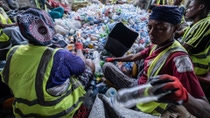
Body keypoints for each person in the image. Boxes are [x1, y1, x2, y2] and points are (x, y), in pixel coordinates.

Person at [102, 5, 210, 117]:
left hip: (140, 94)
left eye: (160, 28)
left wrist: (184, 96)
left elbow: (206, 110)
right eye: (149, 27)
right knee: (140, 51)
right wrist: (116, 59)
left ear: (175, 28)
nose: (151, 33)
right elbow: (135, 56)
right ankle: (130, 75)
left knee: (107, 67)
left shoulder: (180, 59)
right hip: (144, 80)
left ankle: (129, 78)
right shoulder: (157, 45)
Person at [0, 8, 95, 117]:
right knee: (89, 63)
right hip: (58, 112)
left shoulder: (13, 52)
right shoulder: (59, 56)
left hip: (23, 113)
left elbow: (7, 79)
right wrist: (79, 48)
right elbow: (81, 66)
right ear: (49, 27)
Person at [175, 0, 210, 102]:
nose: (187, 10)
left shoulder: (206, 24)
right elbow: (178, 34)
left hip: (196, 64)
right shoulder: (197, 22)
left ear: (201, 7)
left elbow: (183, 48)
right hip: (189, 59)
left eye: (190, 7)